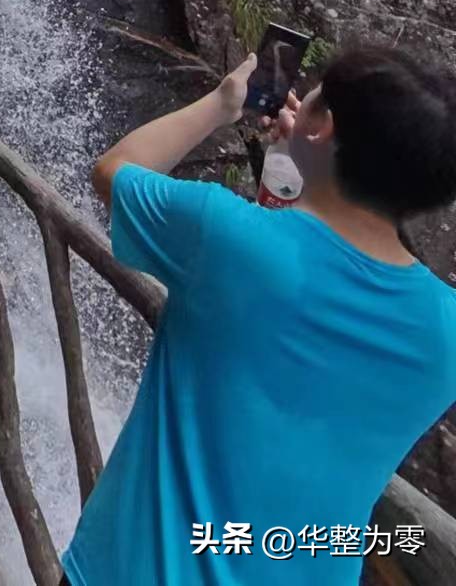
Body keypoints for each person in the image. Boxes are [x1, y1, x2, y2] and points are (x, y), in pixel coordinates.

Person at [61, 45, 456, 584]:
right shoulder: (445, 329)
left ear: (323, 129)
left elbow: (114, 171)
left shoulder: (224, 233)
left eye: (310, 97)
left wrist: (223, 104)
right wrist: (309, 176)